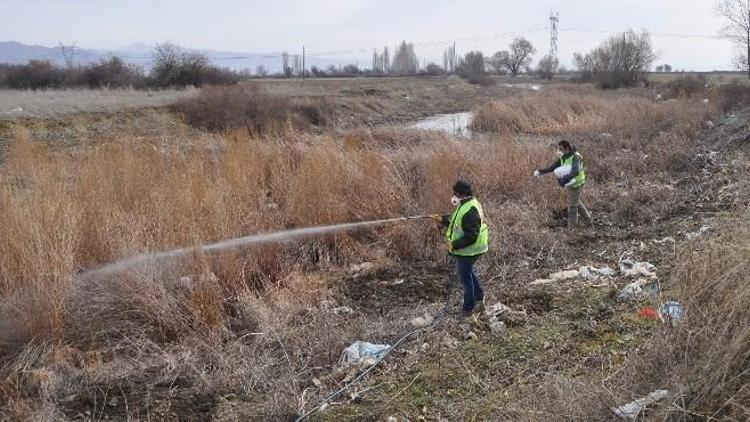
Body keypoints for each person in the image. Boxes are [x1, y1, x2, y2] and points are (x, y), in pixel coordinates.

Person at [431, 180, 489, 317]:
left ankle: (468, 309)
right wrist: (442, 219)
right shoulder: (465, 204)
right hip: (468, 250)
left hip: (469, 251)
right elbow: (456, 222)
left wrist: (454, 245)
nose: (453, 196)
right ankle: (479, 298)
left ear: (463, 194)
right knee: (469, 273)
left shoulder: (470, 210)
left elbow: (471, 236)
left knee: (466, 279)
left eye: (456, 193)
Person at [533, 140, 592, 228]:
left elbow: (575, 171)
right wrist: (541, 172)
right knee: (576, 202)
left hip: (577, 182)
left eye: (561, 149)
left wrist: (564, 180)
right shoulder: (564, 156)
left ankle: (571, 228)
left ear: (567, 148)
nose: (559, 151)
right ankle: (589, 221)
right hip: (571, 182)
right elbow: (554, 167)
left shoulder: (575, 157)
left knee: (572, 206)